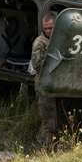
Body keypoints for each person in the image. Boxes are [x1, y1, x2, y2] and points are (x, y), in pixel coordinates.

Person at [28, 11, 58, 146]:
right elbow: (37, 65)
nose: (48, 31)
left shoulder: (58, 39)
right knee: (48, 121)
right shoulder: (40, 43)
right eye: (45, 28)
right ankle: (42, 147)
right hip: (44, 84)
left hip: (55, 84)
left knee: (53, 119)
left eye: (51, 28)